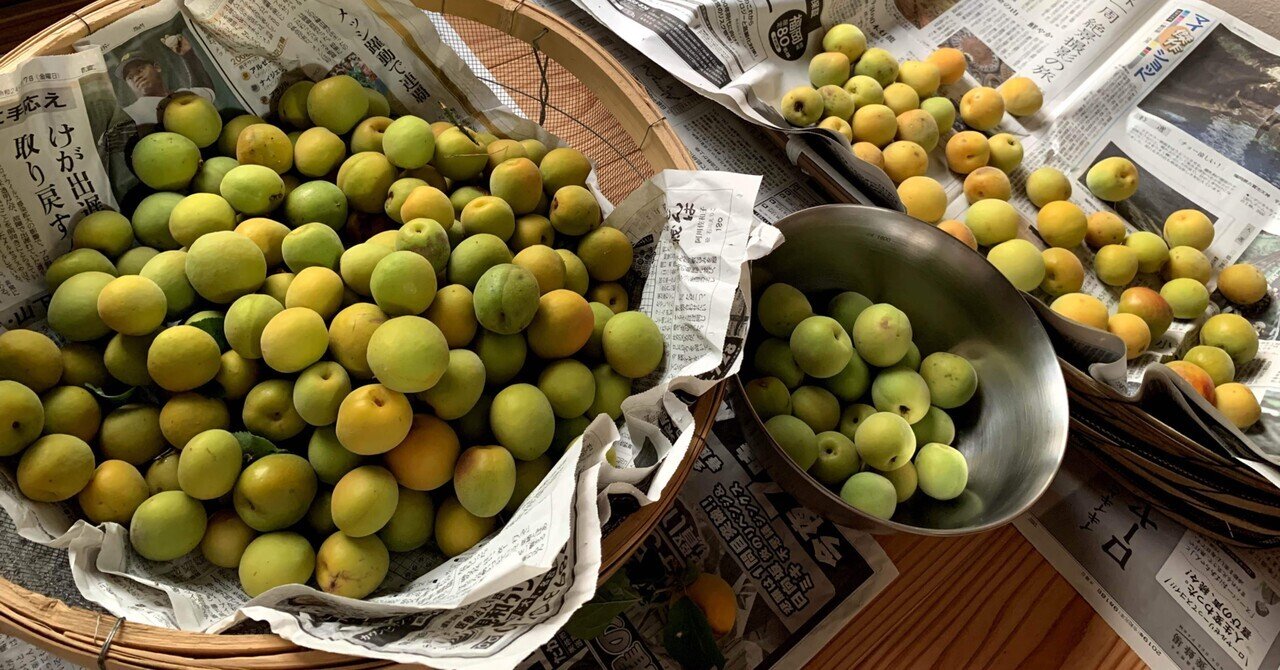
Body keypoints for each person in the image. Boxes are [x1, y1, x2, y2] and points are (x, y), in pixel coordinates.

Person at [117, 33, 216, 124]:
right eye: (130, 77)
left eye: (140, 70)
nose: (136, 77)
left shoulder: (182, 95)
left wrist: (188, 54)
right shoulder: (130, 114)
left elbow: (206, 90)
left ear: (157, 67)